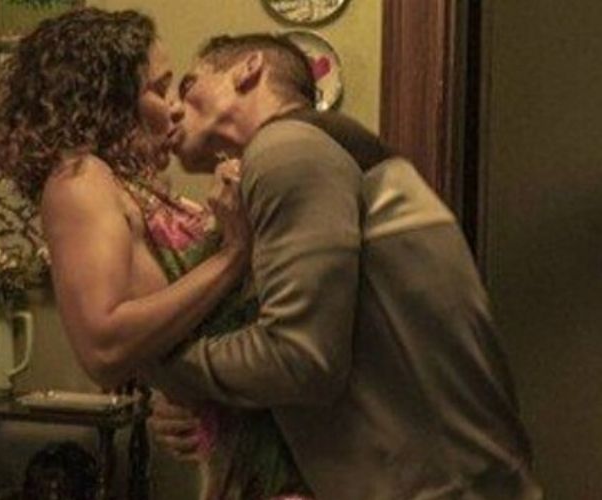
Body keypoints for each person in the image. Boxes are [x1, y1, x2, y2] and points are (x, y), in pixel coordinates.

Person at [144, 33, 543, 499]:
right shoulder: (324, 152)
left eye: (188, 86)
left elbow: (300, 361)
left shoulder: (287, 148)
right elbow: (342, 354)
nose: (173, 108)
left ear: (249, 69)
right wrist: (201, 404)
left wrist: (161, 365)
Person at [0, 8, 310, 500]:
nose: (175, 108)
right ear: (109, 99)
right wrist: (233, 255)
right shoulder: (79, 180)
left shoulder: (133, 186)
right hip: (260, 464)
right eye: (159, 89)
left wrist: (176, 393)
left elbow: (180, 329)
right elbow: (104, 348)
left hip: (272, 438)